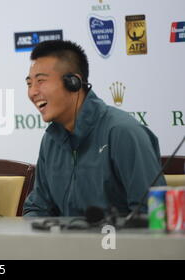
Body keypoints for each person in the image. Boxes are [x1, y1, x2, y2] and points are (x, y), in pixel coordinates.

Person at [23, 40, 165, 217]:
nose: (32, 92)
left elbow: (154, 213)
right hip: (65, 245)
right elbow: (36, 208)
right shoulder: (51, 140)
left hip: (116, 244)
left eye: (41, 81)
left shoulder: (123, 132)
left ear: (73, 82)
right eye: (29, 84)